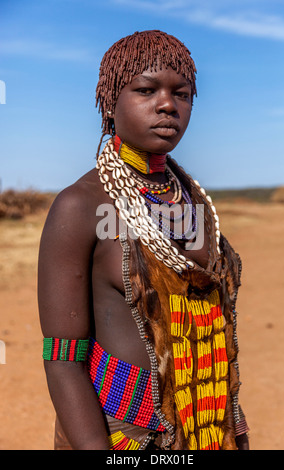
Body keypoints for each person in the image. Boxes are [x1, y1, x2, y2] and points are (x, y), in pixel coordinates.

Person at [38, 30, 249, 450]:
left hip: (208, 425)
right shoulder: (80, 206)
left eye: (182, 94)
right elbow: (63, 357)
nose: (168, 105)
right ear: (110, 103)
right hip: (125, 438)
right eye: (146, 90)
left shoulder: (194, 201)